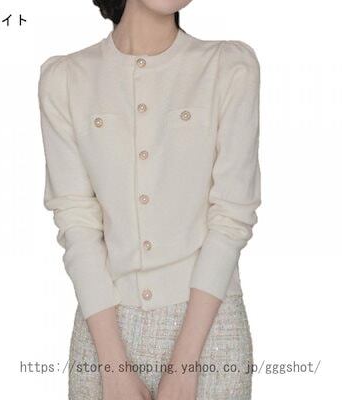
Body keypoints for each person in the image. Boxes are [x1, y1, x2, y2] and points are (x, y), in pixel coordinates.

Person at [38, 0, 261, 399]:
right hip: (102, 333)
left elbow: (231, 216)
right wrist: (113, 367)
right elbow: (76, 221)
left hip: (211, 331)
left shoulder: (228, 68)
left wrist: (185, 365)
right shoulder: (66, 79)